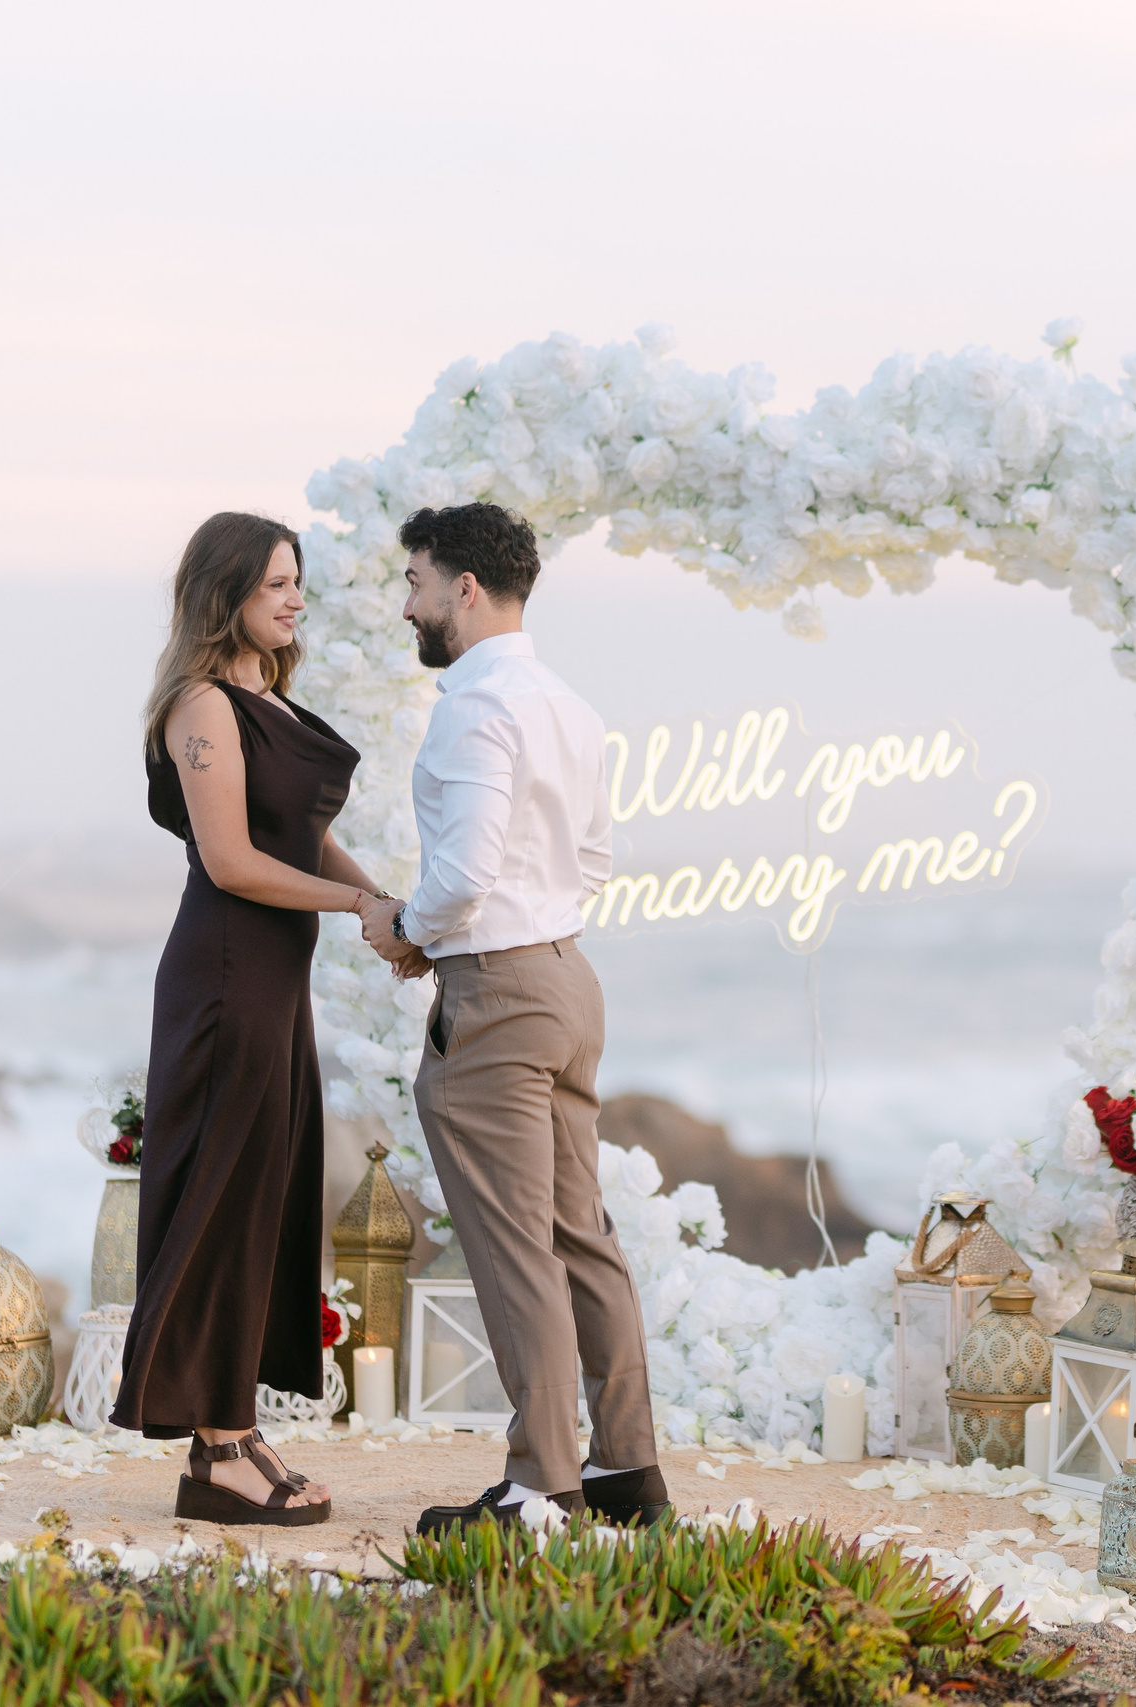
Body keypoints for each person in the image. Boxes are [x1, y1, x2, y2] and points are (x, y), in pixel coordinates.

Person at [354, 501, 669, 1532]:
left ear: (466, 589)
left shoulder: (473, 703)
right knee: (581, 1234)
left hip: (496, 994)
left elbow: (468, 866)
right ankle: (627, 1475)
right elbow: (593, 863)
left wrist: (409, 926)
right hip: (569, 980)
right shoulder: (570, 707)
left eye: (416, 583)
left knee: (513, 1245)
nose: (409, 605)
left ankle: (540, 1488)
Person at [112, 511, 425, 1527]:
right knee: (223, 1197)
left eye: (298, 582)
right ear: (225, 594)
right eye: (274, 584)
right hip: (224, 975)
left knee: (262, 1200)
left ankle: (233, 1435)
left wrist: (384, 907)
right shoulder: (201, 705)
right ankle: (217, 1452)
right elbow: (235, 864)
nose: (294, 600)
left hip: (270, 983)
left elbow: (305, 838)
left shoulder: (267, 697)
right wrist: (354, 909)